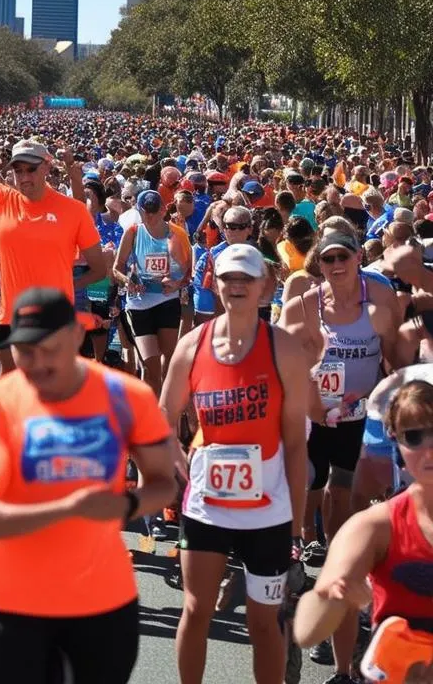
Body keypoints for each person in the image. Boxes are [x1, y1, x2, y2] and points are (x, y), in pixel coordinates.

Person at [0, 287, 175, 684]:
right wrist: (72, 507)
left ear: (78, 335)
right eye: (25, 351)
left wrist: (127, 505)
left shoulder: (127, 395)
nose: (38, 363)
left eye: (49, 348)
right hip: (10, 604)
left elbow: (165, 484)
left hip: (101, 605)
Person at [159, 244, 312, 684]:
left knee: (264, 623)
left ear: (265, 285)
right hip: (208, 505)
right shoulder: (193, 346)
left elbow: (295, 446)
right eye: (229, 278)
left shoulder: (282, 348)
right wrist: (180, 459)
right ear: (215, 283)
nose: (238, 286)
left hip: (269, 511)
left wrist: (297, 529)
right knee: (197, 608)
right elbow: (162, 418)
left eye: (247, 278)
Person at [294, 380, 433, 684]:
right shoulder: (375, 526)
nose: (429, 447)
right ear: (396, 443)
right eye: (414, 436)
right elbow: (306, 631)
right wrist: (333, 595)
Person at [0, 107, 106, 372]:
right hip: (10, 319)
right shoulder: (2, 199)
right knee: (15, 399)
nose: (24, 176)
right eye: (18, 170)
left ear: (47, 167)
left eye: (31, 169)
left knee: (52, 402)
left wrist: (69, 282)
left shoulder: (73, 210)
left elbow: (99, 268)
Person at [112, 189, 191, 396]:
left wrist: (176, 284)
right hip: (139, 304)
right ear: (139, 210)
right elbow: (116, 267)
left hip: (166, 301)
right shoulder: (133, 232)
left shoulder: (177, 234)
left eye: (154, 211)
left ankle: (166, 411)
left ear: (163, 210)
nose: (150, 216)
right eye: (146, 211)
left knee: (168, 362)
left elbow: (188, 272)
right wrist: (127, 280)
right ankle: (150, 418)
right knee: (150, 365)